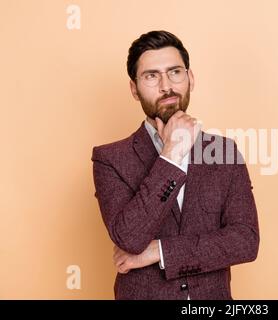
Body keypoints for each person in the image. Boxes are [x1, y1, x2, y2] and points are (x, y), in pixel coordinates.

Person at [91, 30, 259, 300]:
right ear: (134, 89)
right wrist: (171, 155)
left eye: (175, 72)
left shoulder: (225, 152)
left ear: (190, 78)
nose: (166, 85)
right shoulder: (110, 159)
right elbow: (129, 238)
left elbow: (245, 241)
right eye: (151, 76)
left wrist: (158, 251)